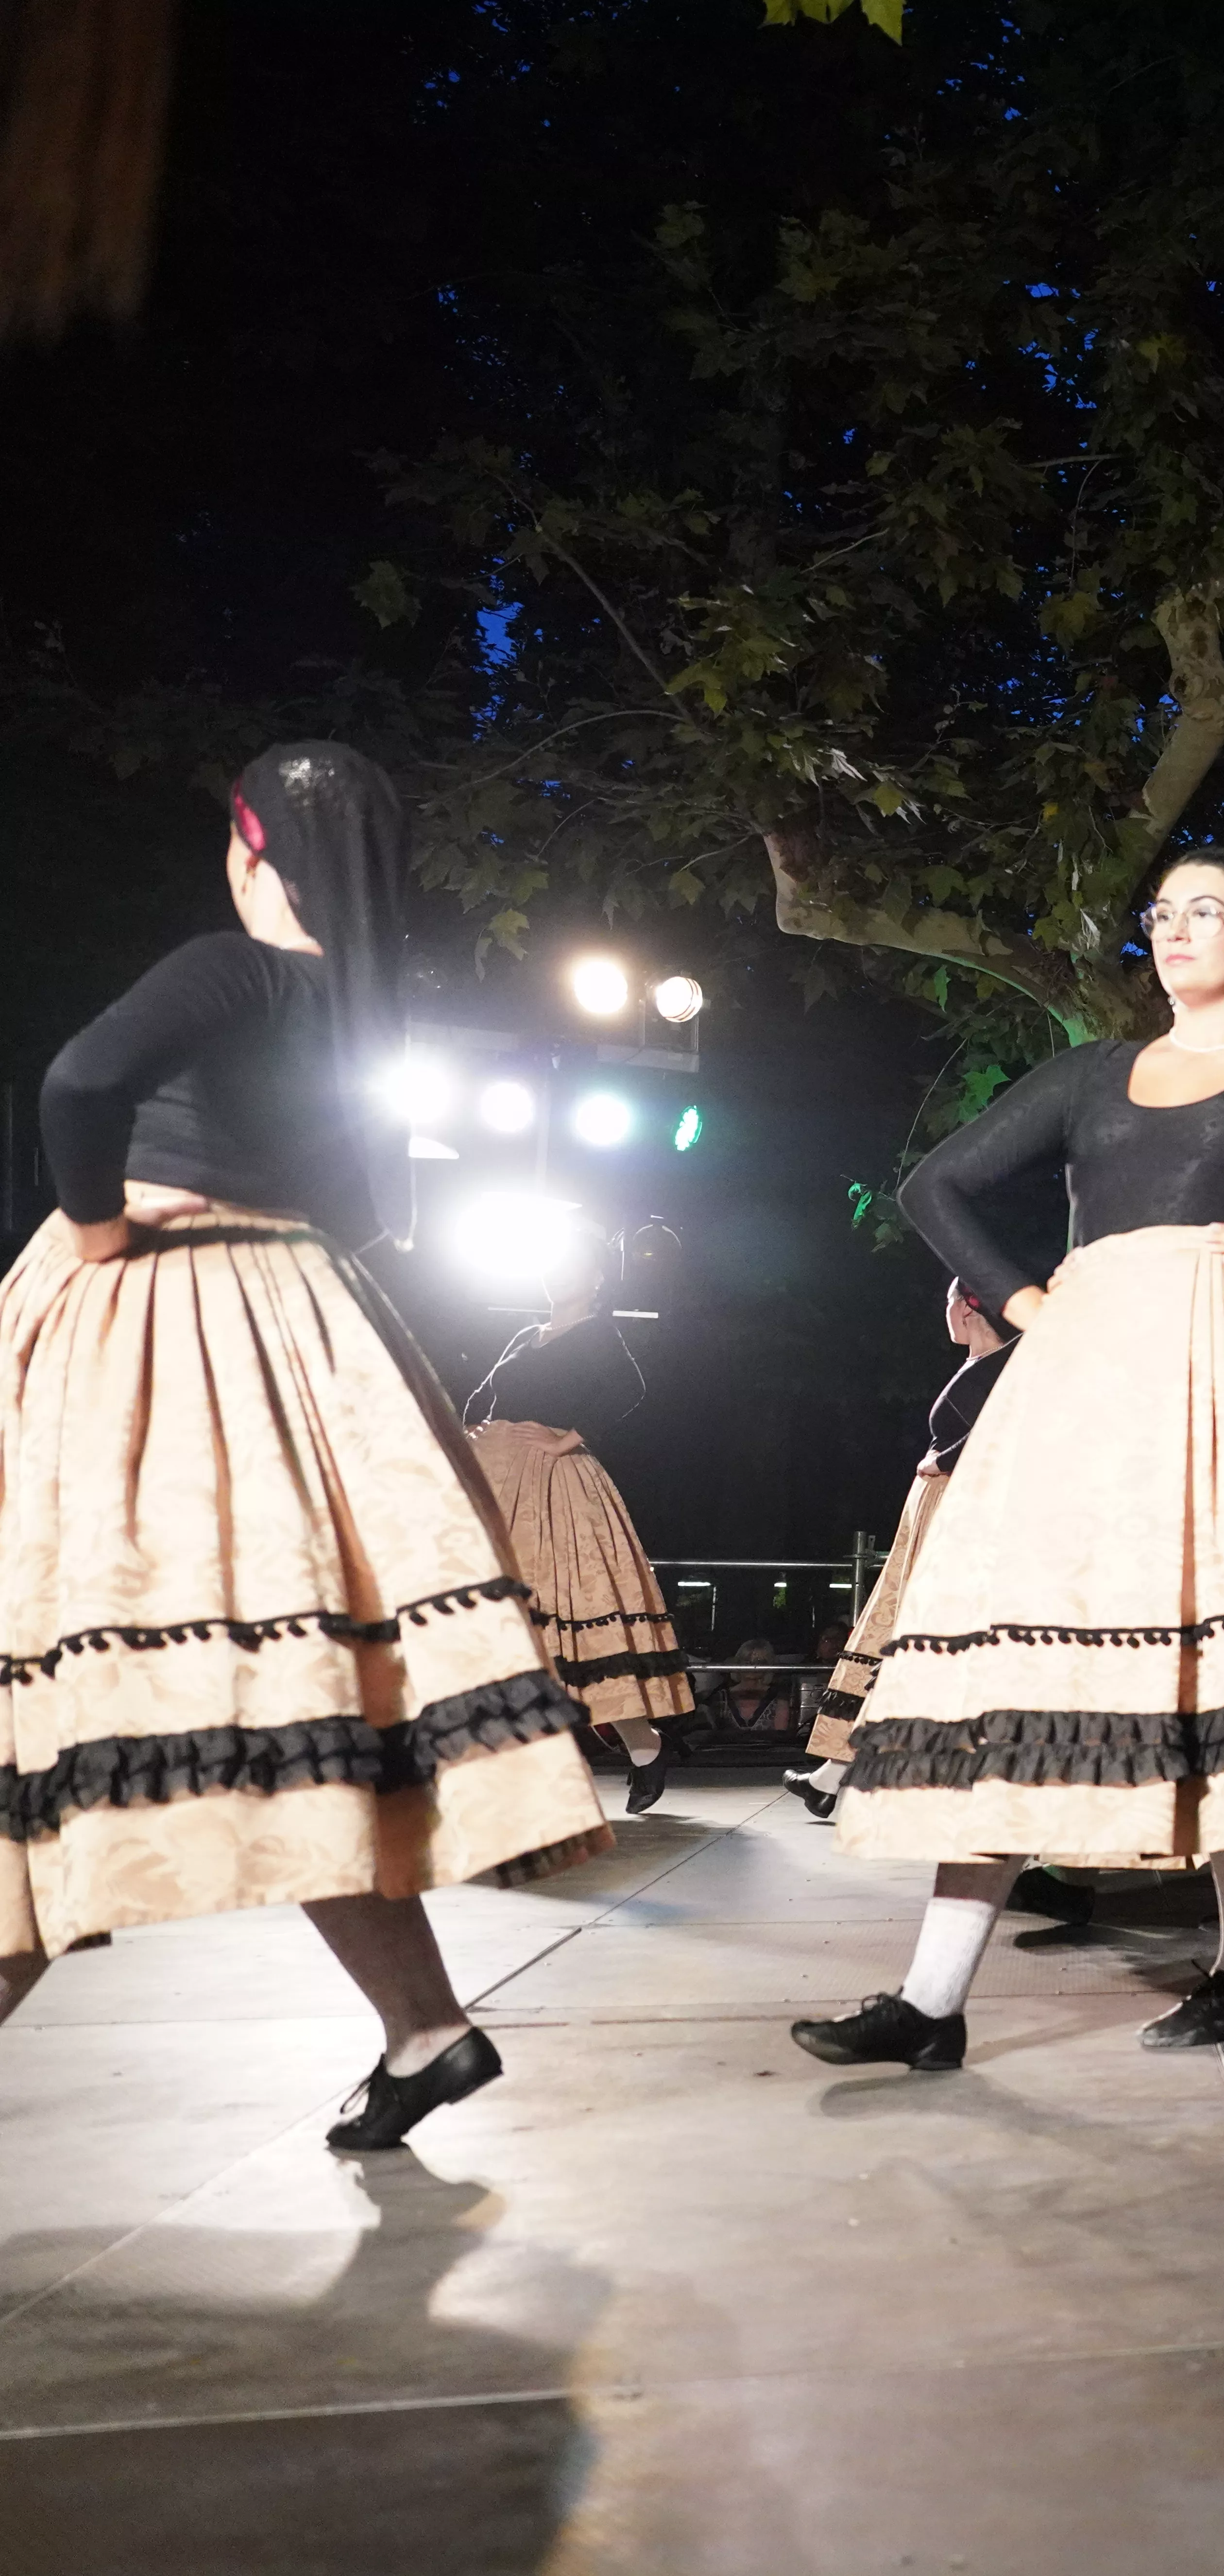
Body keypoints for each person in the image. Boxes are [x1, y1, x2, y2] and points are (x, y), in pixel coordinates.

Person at [793, 848, 1224, 2069]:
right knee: (1026, 1654)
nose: (1175, 931)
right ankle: (930, 1998)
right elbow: (936, 1182)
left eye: (1206, 911)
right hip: (1086, 1373)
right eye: (1162, 914)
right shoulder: (1087, 1076)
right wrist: (1022, 1303)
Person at [0, 743, 611, 2148]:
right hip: (296, 1321)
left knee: (68, 1696)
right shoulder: (364, 1018)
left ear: (251, 847)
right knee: (294, 1704)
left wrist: (97, 1231)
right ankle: (425, 2029)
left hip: (156, 1309)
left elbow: (82, 1082)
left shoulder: (243, 963)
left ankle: (420, 2026)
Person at [465, 1232, 697, 1813]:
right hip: (499, 1487)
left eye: (573, 1266)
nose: (559, 1273)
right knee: (503, 1625)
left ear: (597, 1278)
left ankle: (644, 1746)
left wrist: (569, 1439)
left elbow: (631, 1391)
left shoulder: (600, 1334)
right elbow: (485, 1398)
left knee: (574, 1625)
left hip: (555, 1490)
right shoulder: (526, 1334)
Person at [791, 1277, 1013, 1818]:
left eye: (947, 1303)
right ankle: (833, 1775)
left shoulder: (1013, 1361)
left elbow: (1016, 1421)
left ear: (966, 1308)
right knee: (902, 1636)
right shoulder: (987, 1360)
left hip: (964, 1514)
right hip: (938, 1511)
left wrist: (946, 1458)